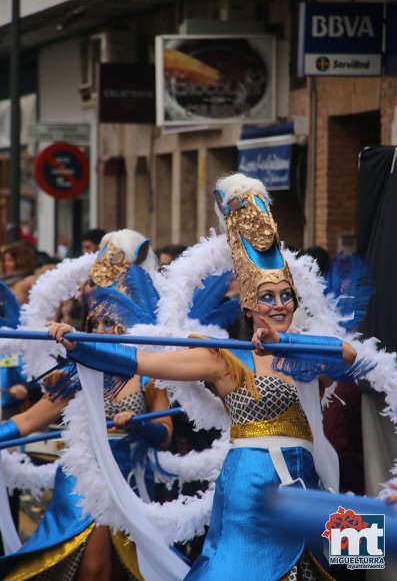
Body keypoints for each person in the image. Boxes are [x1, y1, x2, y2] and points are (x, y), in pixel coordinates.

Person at [49, 173, 362, 580]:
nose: (280, 304)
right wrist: (79, 344)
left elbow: (349, 357)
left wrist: (288, 346)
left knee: (339, 563)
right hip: (251, 481)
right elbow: (145, 362)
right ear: (248, 307)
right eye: (267, 298)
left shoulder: (306, 355)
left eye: (287, 296)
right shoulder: (224, 360)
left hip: (305, 477)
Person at [0, 239, 172, 581]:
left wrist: (137, 425)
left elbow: (164, 434)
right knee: (87, 568)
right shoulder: (79, 371)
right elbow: (29, 420)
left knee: (121, 568)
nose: (105, 331)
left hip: (127, 480)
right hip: (81, 480)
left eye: (113, 324)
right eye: (98, 324)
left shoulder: (152, 374)